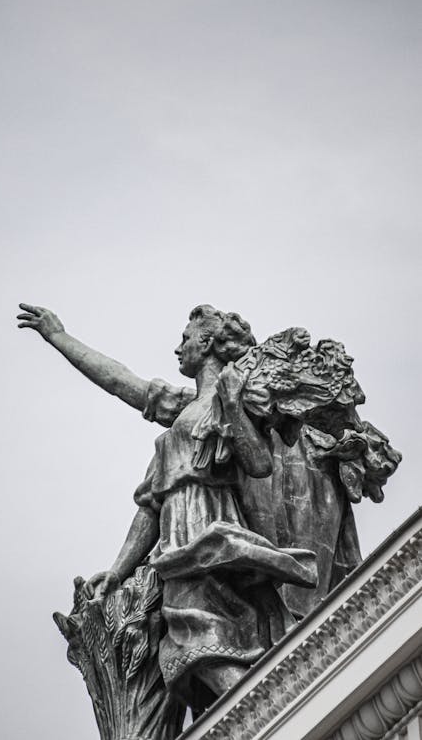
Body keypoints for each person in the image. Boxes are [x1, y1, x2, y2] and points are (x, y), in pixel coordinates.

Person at [17, 302, 317, 709]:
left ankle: (271, 715)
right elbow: (151, 500)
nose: (178, 348)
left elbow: (260, 464)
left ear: (208, 343)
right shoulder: (181, 410)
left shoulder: (232, 399)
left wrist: (232, 408)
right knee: (197, 649)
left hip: (207, 538)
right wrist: (58, 336)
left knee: (199, 645)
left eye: (186, 339)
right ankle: (264, 714)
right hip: (177, 542)